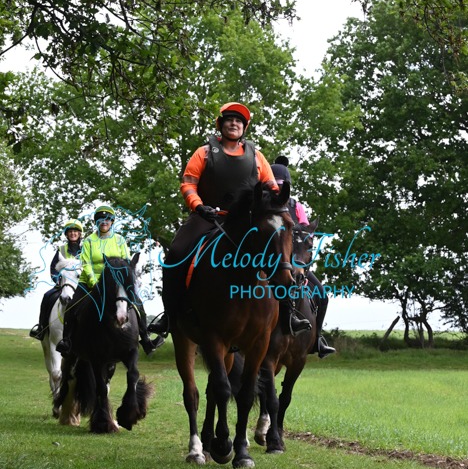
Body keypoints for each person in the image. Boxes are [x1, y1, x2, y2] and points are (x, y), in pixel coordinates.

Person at [150, 102, 311, 337]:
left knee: (279, 254)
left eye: (239, 121)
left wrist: (276, 204)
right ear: (221, 124)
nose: (234, 123)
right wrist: (199, 206)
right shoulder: (203, 153)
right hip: (208, 217)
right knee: (176, 252)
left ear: (244, 128)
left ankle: (289, 314)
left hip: (246, 222)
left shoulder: (257, 156)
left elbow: (271, 186)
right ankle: (170, 315)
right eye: (229, 120)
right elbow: (188, 184)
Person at [56, 204, 164, 356]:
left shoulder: (119, 240)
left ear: (112, 222)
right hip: (90, 282)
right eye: (100, 220)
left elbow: (126, 262)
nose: (104, 222)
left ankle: (146, 339)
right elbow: (86, 263)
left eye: (107, 220)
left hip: (115, 282)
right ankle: (66, 341)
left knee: (138, 305)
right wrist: (94, 282)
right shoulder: (89, 241)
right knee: (72, 306)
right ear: (96, 222)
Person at [271, 156, 335, 359]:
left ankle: (318, 339)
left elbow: (306, 231)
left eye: (282, 185)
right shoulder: (264, 204)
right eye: (276, 185)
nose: (279, 189)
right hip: (270, 261)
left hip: (295, 260)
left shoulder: (295, 206)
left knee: (322, 295)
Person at [29, 219, 83, 341]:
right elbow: (53, 267)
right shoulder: (61, 249)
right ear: (66, 234)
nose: (73, 233)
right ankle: (41, 328)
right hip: (63, 284)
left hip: (80, 285)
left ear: (79, 234)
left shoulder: (85, 250)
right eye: (70, 231)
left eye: (75, 231)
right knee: (47, 296)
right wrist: (57, 280)